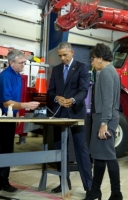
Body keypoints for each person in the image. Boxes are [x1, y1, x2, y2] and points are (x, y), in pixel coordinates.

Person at [0, 49, 40, 193]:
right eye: (21, 63)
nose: (23, 65)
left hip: (9, 117)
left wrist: (15, 116)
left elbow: (14, 101)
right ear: (11, 62)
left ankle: (4, 181)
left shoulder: (17, 76)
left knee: (7, 151)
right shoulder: (5, 77)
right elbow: (6, 102)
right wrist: (26, 106)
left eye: (24, 62)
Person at [47, 42, 92, 194]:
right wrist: (56, 98)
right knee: (60, 149)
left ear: (72, 52)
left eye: (65, 55)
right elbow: (51, 91)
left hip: (75, 113)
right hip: (59, 114)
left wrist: (72, 100)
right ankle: (63, 183)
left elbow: (83, 91)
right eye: (60, 56)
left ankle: (89, 186)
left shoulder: (82, 68)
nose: (62, 58)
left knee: (81, 149)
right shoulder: (56, 70)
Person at [84, 43, 123, 200]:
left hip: (105, 117)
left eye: (93, 59)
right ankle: (95, 191)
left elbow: (108, 100)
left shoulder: (107, 72)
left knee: (108, 155)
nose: (92, 63)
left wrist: (103, 123)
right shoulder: (109, 71)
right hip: (103, 116)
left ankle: (116, 193)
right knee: (100, 156)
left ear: (100, 58)